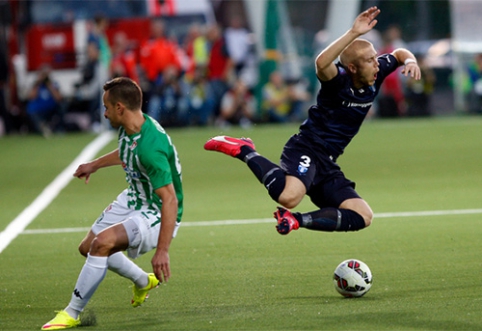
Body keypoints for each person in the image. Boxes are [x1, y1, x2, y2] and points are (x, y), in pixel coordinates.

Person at [204, 7, 420, 236]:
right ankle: (245, 150)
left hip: (327, 161)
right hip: (306, 147)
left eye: (375, 58)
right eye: (369, 60)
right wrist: (353, 33)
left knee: (363, 215)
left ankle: (295, 221)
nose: (377, 64)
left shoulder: (376, 72)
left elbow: (398, 54)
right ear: (353, 67)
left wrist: (411, 61)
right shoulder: (338, 81)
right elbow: (321, 63)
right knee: (289, 196)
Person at [42, 77, 183, 330]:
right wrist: (93, 165)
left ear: (120, 108)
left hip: (156, 210)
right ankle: (143, 281)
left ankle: (72, 313)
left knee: (102, 244)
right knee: (88, 247)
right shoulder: (130, 127)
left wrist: (163, 250)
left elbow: (170, 199)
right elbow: (126, 151)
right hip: (134, 196)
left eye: (106, 107)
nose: (104, 113)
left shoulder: (151, 148)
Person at [25, 65, 65, 136]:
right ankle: (42, 128)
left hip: (51, 109)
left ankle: (59, 128)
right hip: (39, 110)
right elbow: (31, 96)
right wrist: (38, 83)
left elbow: (58, 98)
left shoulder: (53, 84)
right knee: (31, 111)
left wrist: (49, 84)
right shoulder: (37, 85)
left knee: (62, 107)